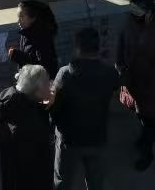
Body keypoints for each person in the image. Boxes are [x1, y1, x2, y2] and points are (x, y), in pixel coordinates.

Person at [51, 27, 121, 190]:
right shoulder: (110, 73)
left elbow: (54, 107)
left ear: (77, 48)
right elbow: (118, 93)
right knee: (95, 181)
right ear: (97, 47)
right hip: (96, 137)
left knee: (62, 180)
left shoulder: (65, 74)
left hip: (69, 139)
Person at [117, 0, 155, 171]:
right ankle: (150, 136)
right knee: (143, 116)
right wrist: (120, 65)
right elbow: (121, 42)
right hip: (133, 80)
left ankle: (147, 153)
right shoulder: (131, 21)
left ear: (149, 12)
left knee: (148, 118)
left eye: (137, 12)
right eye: (132, 10)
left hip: (151, 86)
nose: (133, 15)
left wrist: (151, 83)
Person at [0, 64, 55, 190]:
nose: (51, 86)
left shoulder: (14, 103)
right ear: (36, 89)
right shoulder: (26, 117)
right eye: (47, 83)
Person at [9, 0, 59, 77]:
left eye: (21, 16)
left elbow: (43, 66)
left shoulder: (42, 37)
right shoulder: (26, 34)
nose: (18, 20)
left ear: (33, 18)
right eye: (18, 17)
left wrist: (17, 56)